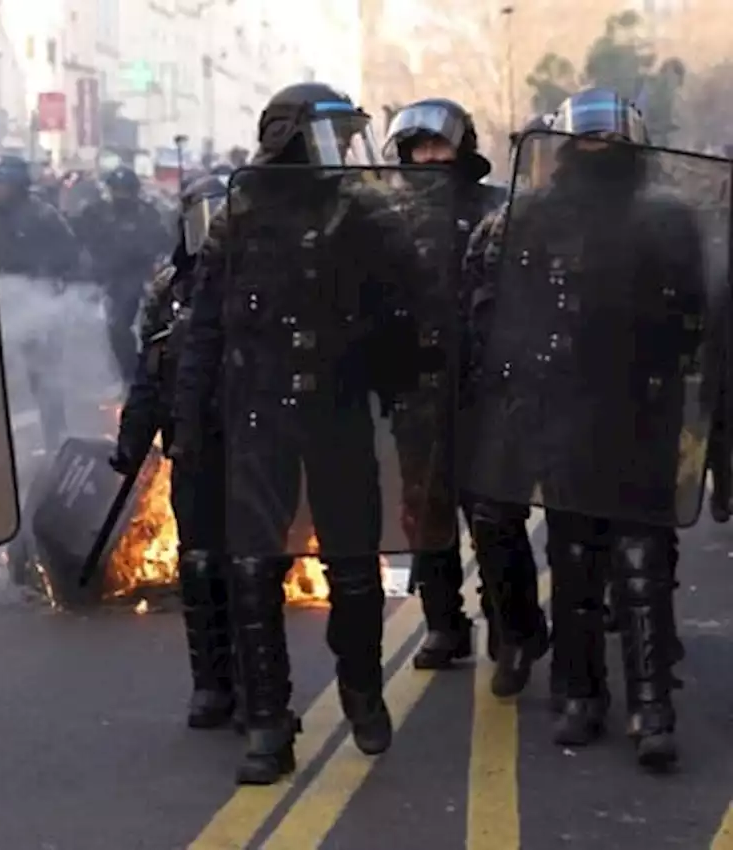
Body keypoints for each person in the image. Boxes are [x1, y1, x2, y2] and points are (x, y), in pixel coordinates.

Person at [174, 82, 448, 783]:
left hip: (338, 411)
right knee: (254, 570)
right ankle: (268, 723)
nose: (345, 152)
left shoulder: (365, 216)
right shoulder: (239, 218)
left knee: (354, 572)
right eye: (330, 136)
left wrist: (405, 367)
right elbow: (204, 325)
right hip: (259, 413)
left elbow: (411, 311)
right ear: (288, 137)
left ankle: (360, 684)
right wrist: (190, 422)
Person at [461, 88, 718, 769]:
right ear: (569, 146)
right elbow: (502, 307)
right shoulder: (536, 218)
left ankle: (651, 704)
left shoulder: (667, 217)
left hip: (642, 403)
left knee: (641, 558)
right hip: (565, 404)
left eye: (610, 137)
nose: (598, 148)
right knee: (574, 555)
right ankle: (580, 694)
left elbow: (699, 311)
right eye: (588, 138)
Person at [382, 98, 548, 683]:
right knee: (425, 513)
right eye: (416, 147)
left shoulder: (496, 209)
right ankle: (444, 624)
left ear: (462, 146)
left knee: (493, 512)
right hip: (417, 387)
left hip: (486, 384)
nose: (427, 157)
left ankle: (513, 630)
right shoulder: (389, 216)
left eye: (437, 145)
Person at [112, 174, 232, 728]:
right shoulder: (168, 289)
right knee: (199, 562)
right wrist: (132, 441)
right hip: (193, 445)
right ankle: (210, 684)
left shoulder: (258, 278)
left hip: (252, 443)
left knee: (251, 565)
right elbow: (149, 374)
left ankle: (259, 688)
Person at [0, 155, 82, 451]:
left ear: (17, 185)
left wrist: (44, 278)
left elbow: (70, 254)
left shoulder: (43, 215)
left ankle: (57, 441)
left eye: (0, 182)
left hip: (35, 308)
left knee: (44, 378)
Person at [73, 166, 172, 384]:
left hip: (138, 276)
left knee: (138, 325)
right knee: (109, 328)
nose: (120, 196)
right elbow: (80, 240)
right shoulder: (95, 213)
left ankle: (141, 371)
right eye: (116, 190)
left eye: (125, 191)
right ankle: (121, 372)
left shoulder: (147, 214)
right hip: (106, 277)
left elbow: (162, 243)